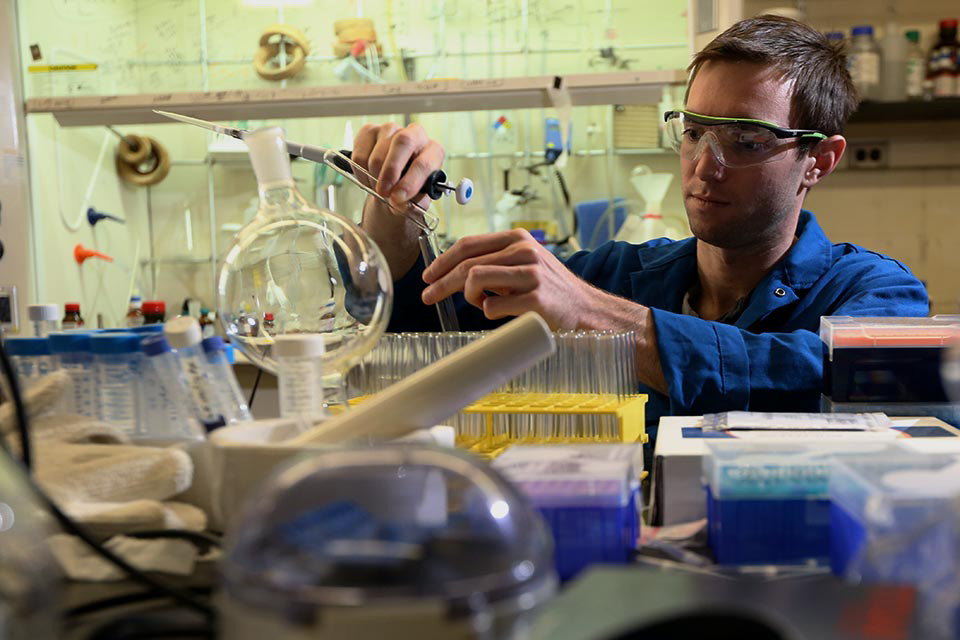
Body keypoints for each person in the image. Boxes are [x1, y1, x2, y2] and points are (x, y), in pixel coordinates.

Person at [352, 15, 929, 437]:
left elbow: (830, 383)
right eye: (693, 132)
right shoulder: (617, 273)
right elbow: (412, 335)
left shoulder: (875, 293)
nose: (705, 166)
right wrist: (392, 206)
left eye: (746, 141)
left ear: (819, 160)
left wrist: (595, 316)